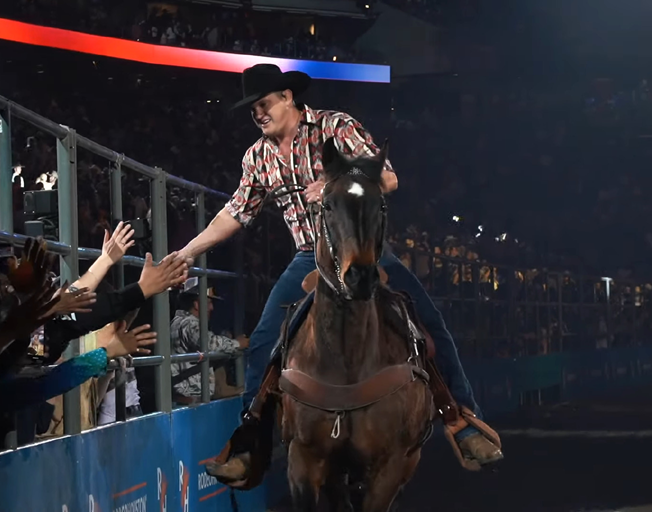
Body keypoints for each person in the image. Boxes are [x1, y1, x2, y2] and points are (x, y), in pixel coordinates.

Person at [175, 64, 503, 482]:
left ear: (288, 97)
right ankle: (250, 444)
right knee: (262, 342)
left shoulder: (335, 127)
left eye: (264, 103)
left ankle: (462, 419)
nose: (258, 114)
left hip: (364, 252)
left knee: (429, 323)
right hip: (308, 257)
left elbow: (388, 178)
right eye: (252, 109)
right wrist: (188, 251)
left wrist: (336, 179)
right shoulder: (256, 157)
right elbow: (235, 213)